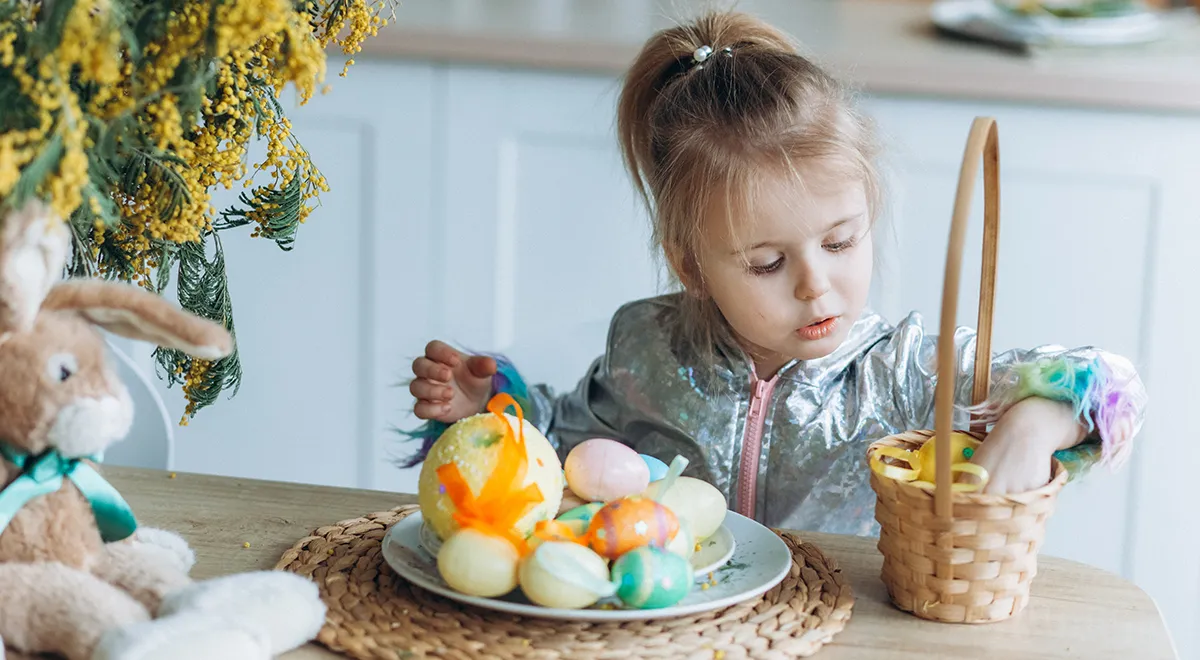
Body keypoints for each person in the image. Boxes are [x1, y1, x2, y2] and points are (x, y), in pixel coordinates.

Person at [400, 11, 1146, 535]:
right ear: (691, 264)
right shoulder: (645, 350)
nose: (815, 285)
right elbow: (565, 454)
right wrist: (488, 410)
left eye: (841, 242)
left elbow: (1108, 381)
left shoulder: (906, 372)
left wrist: (1033, 423)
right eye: (766, 262)